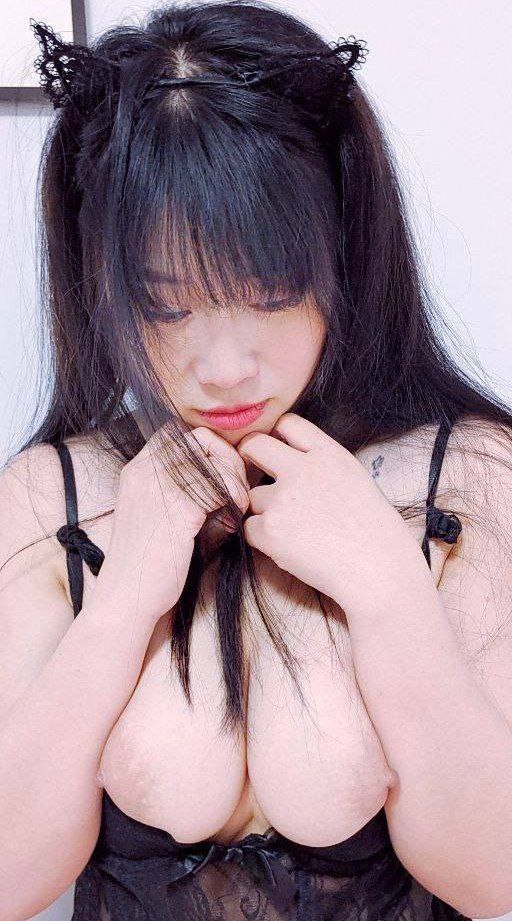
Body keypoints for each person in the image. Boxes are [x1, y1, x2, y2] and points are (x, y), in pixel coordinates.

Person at [1, 2, 512, 919]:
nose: (226, 366)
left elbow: (495, 873)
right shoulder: (56, 496)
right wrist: (122, 602)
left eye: (271, 291)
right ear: (103, 288)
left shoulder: (465, 478)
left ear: (341, 255)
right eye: (167, 306)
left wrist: (389, 591)